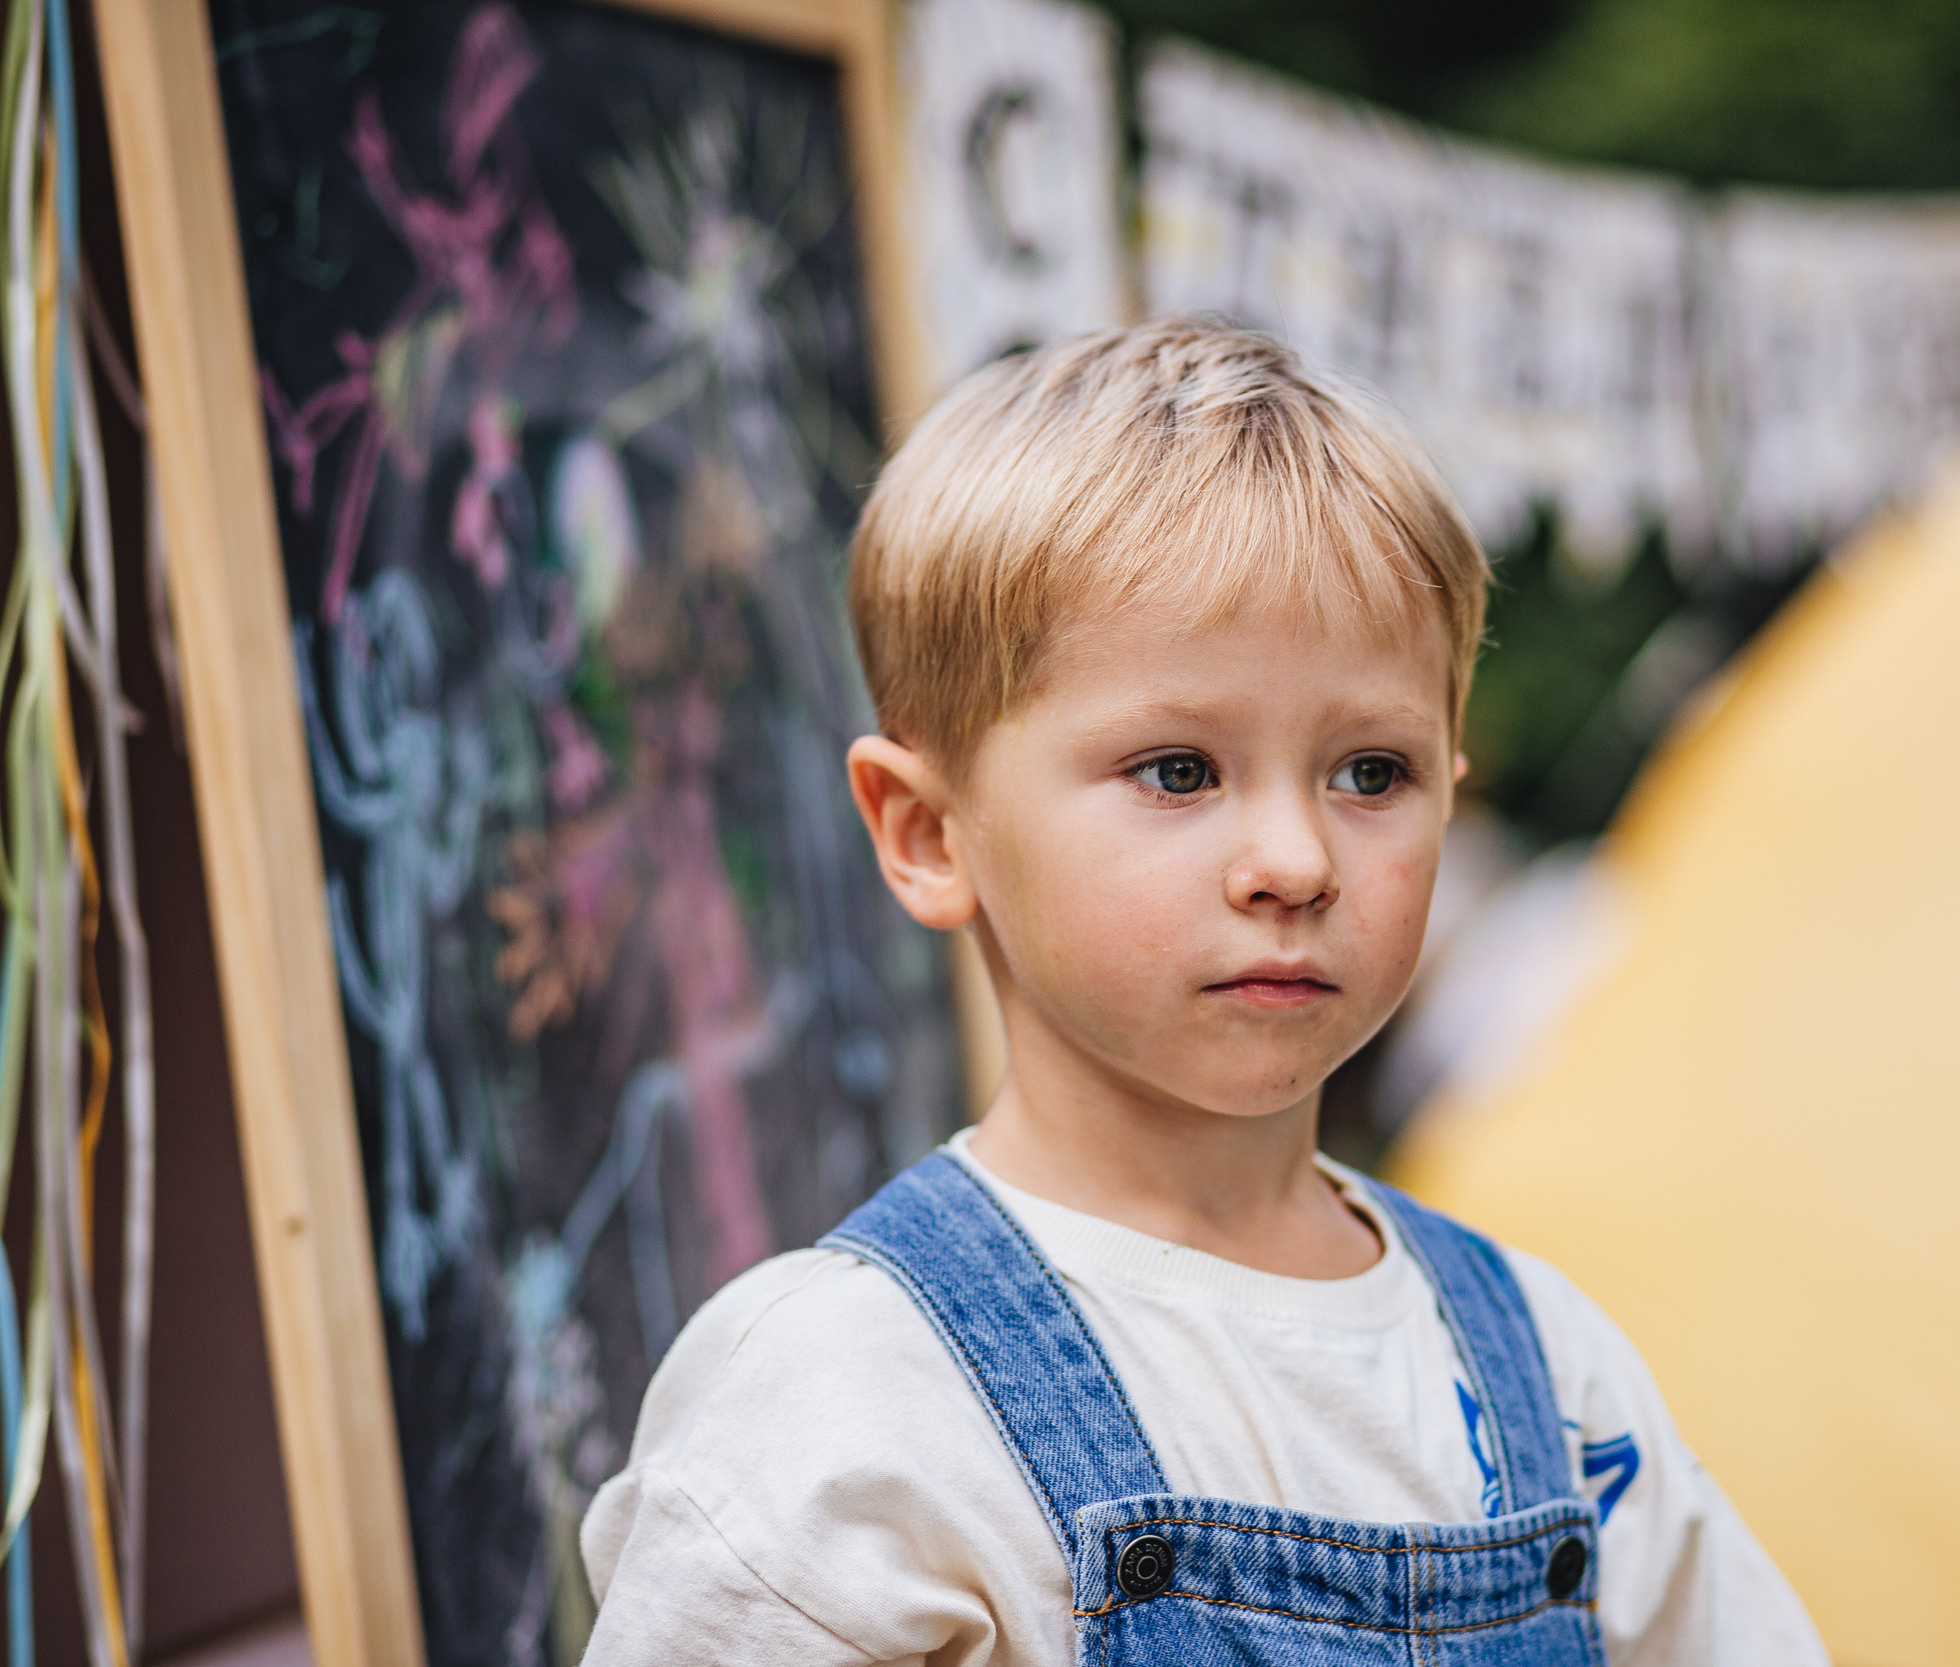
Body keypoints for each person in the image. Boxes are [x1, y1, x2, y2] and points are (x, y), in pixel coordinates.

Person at [580, 321, 1827, 1665]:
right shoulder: (852, 1403)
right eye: (1177, 771)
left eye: (1372, 774)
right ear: (927, 833)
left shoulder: (1548, 1372)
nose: (1296, 861)